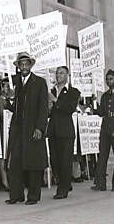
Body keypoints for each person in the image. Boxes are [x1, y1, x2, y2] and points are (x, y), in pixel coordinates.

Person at [5, 52, 49, 206]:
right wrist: (8, 99)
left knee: (33, 163)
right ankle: (16, 195)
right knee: (15, 161)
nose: (23, 67)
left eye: (26, 64)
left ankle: (33, 196)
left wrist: (39, 128)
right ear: (18, 67)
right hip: (18, 130)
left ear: (31, 65)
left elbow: (44, 108)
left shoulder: (40, 83)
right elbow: (16, 108)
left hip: (32, 129)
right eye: (21, 64)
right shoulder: (16, 84)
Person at [47, 66, 81, 199]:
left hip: (65, 131)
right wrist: (49, 105)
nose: (58, 75)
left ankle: (63, 189)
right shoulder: (51, 91)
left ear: (67, 75)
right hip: (53, 130)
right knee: (55, 161)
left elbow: (69, 108)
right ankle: (65, 183)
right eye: (57, 73)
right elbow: (49, 111)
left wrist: (55, 100)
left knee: (65, 160)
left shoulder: (73, 92)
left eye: (61, 73)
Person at [0, 77, 14, 191]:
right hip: (3, 129)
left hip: (12, 129)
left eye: (8, 86)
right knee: (3, 156)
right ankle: (4, 181)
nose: (6, 88)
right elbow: (1, 114)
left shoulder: (13, 98)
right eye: (4, 85)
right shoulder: (0, 99)